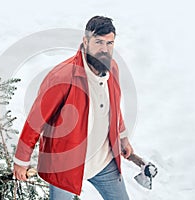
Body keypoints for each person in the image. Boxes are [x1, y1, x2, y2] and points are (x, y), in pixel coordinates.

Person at [13, 16, 133, 200]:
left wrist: (123, 139)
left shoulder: (113, 68)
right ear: (85, 41)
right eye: (99, 42)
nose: (104, 49)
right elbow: (35, 122)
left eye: (110, 43)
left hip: (104, 161)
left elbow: (114, 108)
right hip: (67, 166)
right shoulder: (62, 77)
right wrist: (21, 161)